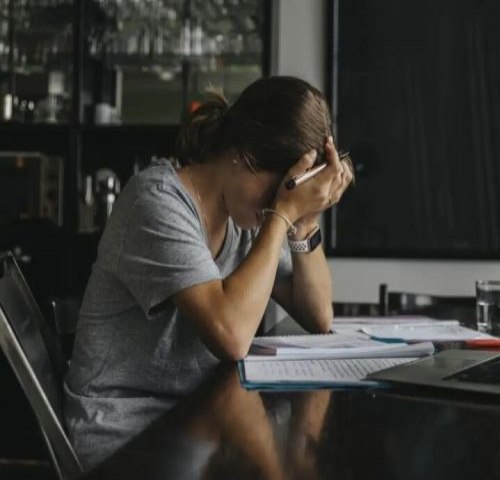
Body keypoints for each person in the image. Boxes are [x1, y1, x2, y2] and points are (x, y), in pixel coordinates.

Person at [63, 76, 353, 466]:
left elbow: (318, 315)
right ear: (242, 155)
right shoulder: (157, 203)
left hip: (201, 421)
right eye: (275, 193)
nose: (276, 207)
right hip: (125, 435)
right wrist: (282, 213)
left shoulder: (247, 221)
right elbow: (231, 335)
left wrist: (304, 221)